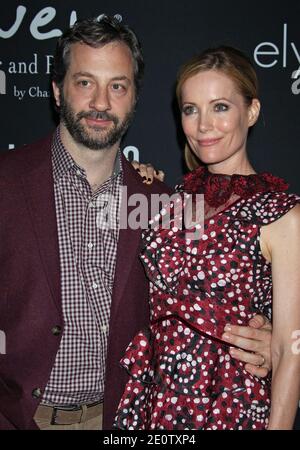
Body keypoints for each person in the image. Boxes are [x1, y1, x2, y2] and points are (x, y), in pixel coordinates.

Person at [0, 17, 271, 431]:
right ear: (57, 91)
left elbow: (201, 306)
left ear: (135, 98)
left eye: (118, 86)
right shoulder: (6, 182)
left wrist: (266, 341)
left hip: (123, 421)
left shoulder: (162, 203)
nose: (102, 103)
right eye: (85, 82)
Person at [114, 46, 300, 430]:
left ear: (251, 112)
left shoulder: (281, 215)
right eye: (190, 109)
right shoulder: (172, 203)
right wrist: (130, 173)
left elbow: (288, 349)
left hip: (229, 405)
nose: (202, 125)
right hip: (156, 402)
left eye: (220, 107)